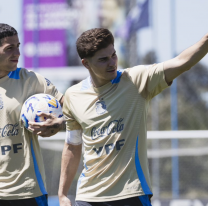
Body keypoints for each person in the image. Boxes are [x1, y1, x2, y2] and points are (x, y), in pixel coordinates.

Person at [58, 28, 208, 206]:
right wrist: (62, 194)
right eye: (103, 59)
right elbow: (73, 146)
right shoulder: (73, 96)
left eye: (113, 55)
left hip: (131, 193)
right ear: (86, 63)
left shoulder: (136, 80)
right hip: (88, 197)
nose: (112, 62)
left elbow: (181, 62)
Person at [0, 24, 65, 206]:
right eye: (9, 48)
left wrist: (60, 123)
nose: (17, 53)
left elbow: (73, 111)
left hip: (27, 191)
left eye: (18, 46)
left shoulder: (31, 80)